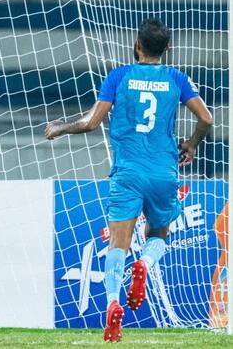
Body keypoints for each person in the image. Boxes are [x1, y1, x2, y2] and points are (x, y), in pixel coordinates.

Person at [45, 18, 213, 342]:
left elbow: (92, 122)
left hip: (128, 173)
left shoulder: (119, 76)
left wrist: (61, 127)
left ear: (137, 46)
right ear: (167, 48)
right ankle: (146, 265)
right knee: (160, 233)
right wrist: (191, 145)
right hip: (164, 172)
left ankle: (111, 303)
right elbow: (206, 118)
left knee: (117, 245)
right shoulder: (176, 78)